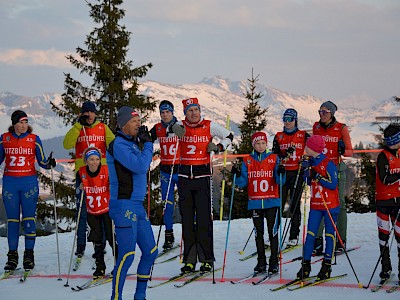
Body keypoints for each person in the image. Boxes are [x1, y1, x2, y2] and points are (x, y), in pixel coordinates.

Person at [170, 97, 233, 274]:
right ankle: (189, 260)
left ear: (200, 110)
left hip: (203, 176)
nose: (193, 113)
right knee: (187, 220)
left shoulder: (208, 125)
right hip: (184, 177)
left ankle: (206, 259)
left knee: (205, 220)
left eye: (196, 109)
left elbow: (229, 135)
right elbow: (167, 130)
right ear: (185, 113)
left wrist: (219, 146)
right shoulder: (180, 126)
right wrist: (172, 128)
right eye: (190, 110)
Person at [107, 106, 157, 300]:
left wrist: (146, 142)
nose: (139, 124)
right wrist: (148, 145)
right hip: (123, 204)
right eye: (134, 121)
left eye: (139, 120)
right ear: (124, 124)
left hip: (137, 204)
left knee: (151, 251)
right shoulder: (118, 145)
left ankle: (140, 295)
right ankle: (116, 297)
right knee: (127, 255)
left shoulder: (133, 142)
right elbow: (141, 166)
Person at [0, 110, 56, 272]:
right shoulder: (5, 139)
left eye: (26, 122)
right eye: (20, 122)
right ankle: (12, 256)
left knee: (29, 219)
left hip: (29, 183)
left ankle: (29, 255)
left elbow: (42, 161)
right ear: (14, 124)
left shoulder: (34, 139)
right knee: (12, 221)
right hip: (10, 183)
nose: (23, 125)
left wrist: (49, 163)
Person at [63, 101, 115, 257]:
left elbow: (113, 145)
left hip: (101, 176)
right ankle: (81, 244)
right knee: (83, 210)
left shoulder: (102, 127)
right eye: (86, 112)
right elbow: (66, 145)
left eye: (92, 112)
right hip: (83, 176)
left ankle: (102, 243)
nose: (90, 115)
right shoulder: (78, 128)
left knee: (102, 210)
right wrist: (78, 127)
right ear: (81, 114)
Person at [232, 131, 286, 275]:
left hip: (272, 202)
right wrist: (236, 175)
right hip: (255, 202)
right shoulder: (247, 160)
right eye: (258, 143)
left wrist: (281, 172)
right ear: (253, 145)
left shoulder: (273, 158)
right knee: (258, 234)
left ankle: (274, 262)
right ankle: (261, 262)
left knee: (273, 233)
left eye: (263, 143)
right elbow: (243, 182)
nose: (261, 146)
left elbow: (280, 181)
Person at [296, 135, 339, 280]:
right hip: (315, 204)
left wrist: (317, 176)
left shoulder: (328, 163)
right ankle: (305, 265)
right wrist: (305, 172)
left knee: (329, 235)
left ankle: (326, 266)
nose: (305, 148)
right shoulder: (311, 161)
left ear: (313, 148)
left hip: (329, 205)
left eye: (307, 146)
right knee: (310, 235)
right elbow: (308, 182)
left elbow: (333, 184)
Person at [312, 101, 353, 254]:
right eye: (320, 111)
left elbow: (350, 151)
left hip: (336, 169)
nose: (322, 115)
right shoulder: (316, 127)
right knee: (319, 204)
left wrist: (343, 150)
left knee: (339, 204)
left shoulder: (341, 128)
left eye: (325, 112)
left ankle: (340, 240)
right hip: (320, 169)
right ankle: (317, 241)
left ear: (332, 113)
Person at [77, 147, 117, 278]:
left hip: (106, 210)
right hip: (92, 211)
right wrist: (80, 187)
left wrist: (112, 185)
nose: (94, 162)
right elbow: (78, 189)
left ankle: (119, 265)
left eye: (97, 159)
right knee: (97, 239)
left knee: (111, 237)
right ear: (86, 161)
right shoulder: (82, 172)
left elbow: (115, 183)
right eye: (91, 159)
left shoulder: (106, 170)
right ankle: (100, 267)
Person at [272, 108, 309, 247]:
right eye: (285, 119)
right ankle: (274, 234)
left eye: (290, 119)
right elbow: (274, 156)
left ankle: (293, 236)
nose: (287, 122)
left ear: (295, 120)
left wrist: (306, 161)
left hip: (297, 172)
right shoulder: (279, 136)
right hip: (283, 172)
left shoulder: (303, 135)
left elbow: (312, 150)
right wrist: (282, 156)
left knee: (294, 204)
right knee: (278, 204)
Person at [150, 100, 181, 250]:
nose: (165, 114)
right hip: (165, 171)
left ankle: (191, 233)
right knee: (167, 205)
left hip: (181, 169)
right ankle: (169, 236)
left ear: (172, 112)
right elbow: (147, 139)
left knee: (186, 203)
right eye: (162, 112)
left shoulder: (180, 126)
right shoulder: (158, 128)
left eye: (167, 111)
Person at [375, 123, 400, 281]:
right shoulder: (383, 156)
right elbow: (385, 179)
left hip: (398, 202)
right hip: (384, 202)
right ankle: (386, 268)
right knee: (383, 237)